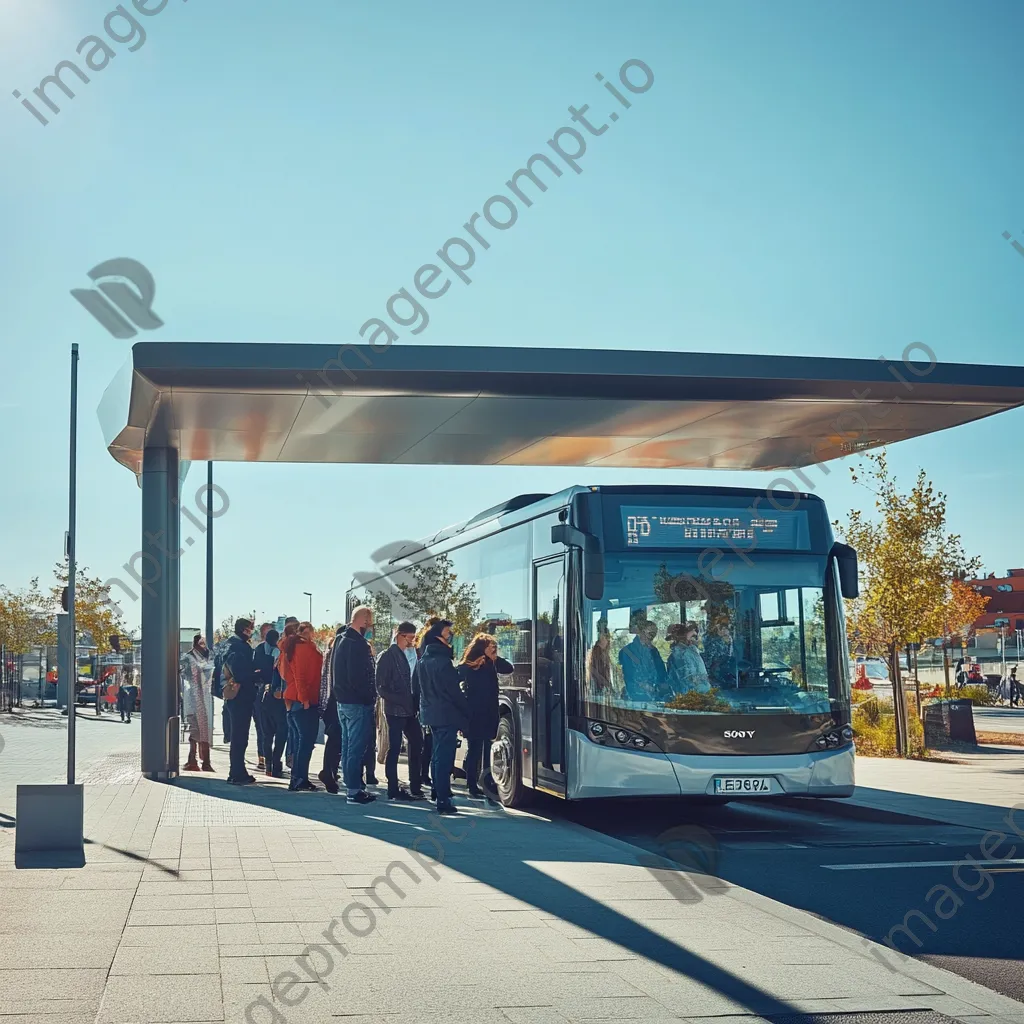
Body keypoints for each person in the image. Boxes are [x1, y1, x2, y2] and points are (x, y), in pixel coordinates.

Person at [414, 620, 470, 815]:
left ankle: (437, 792)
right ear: (438, 637)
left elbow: (418, 689)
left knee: (437, 756)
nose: (451, 636)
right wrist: (466, 712)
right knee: (444, 757)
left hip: (431, 714)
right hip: (446, 714)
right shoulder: (443, 662)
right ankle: (443, 799)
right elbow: (453, 691)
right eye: (448, 633)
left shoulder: (423, 660)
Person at [332, 606, 378, 805]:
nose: (372, 627)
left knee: (348, 745)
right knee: (355, 748)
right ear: (364, 621)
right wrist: (369, 697)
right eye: (371, 623)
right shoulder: (357, 644)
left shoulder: (340, 640)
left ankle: (352, 786)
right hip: (356, 703)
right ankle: (353, 790)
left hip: (343, 701)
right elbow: (358, 676)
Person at [458, 633, 512, 799]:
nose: (494, 649)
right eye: (491, 647)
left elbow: (509, 668)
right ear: (482, 647)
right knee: (475, 748)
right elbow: (456, 677)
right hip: (474, 713)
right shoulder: (469, 665)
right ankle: (471, 784)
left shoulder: (492, 664)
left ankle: (486, 783)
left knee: (488, 748)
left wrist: (495, 657)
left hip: (489, 712)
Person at [375, 621, 425, 801]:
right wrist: (401, 700)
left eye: (414, 638)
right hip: (395, 709)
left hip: (411, 708)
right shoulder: (387, 656)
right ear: (399, 635)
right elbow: (381, 687)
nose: (412, 641)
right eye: (409, 638)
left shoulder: (413, 653)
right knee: (394, 747)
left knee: (417, 743)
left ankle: (415, 785)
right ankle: (393, 787)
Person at [280, 622, 323, 792]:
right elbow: (301, 676)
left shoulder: (289, 649)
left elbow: (287, 675)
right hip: (303, 701)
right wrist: (305, 699)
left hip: (293, 700)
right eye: (310, 631)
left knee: (300, 742)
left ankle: (297, 779)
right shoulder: (303, 649)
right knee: (305, 743)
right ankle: (299, 779)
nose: (312, 635)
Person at [224, 618, 259, 785]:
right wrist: (255, 674)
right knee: (240, 736)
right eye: (250, 629)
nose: (251, 632)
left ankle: (237, 770)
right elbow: (240, 672)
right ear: (245, 630)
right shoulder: (238, 647)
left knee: (239, 736)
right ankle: (237, 772)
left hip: (236, 697)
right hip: (241, 696)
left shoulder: (230, 645)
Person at [415, 616, 442, 789]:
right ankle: (425, 774)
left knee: (427, 740)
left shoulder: (421, 644)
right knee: (429, 741)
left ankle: (423, 773)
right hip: (430, 700)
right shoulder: (429, 645)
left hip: (424, 699)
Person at [255, 628, 286, 777]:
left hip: (263, 693)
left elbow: (255, 668)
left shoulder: (259, 649)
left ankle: (268, 764)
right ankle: (275, 762)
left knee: (266, 733)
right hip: (277, 695)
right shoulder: (280, 653)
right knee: (281, 732)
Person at [181, 634, 215, 771]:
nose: (204, 646)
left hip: (203, 696)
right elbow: (185, 675)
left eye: (204, 643)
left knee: (204, 727)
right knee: (194, 726)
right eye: (201, 643)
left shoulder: (208, 657)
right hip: (194, 696)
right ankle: (194, 759)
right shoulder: (188, 658)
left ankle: (204, 761)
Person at [318, 630, 342, 794]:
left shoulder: (330, 654)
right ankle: (328, 772)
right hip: (334, 701)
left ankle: (330, 771)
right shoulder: (334, 655)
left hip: (330, 702)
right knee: (335, 738)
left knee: (336, 739)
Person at [618, 620, 666, 702]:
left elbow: (662, 673)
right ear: (641, 632)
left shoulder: (654, 651)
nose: (652, 637)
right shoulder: (627, 651)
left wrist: (661, 688)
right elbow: (629, 675)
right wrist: (644, 686)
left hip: (655, 697)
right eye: (650, 633)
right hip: (636, 697)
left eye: (654, 634)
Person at [666, 621, 710, 696]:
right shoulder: (678, 655)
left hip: (701, 693)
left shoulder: (692, 651)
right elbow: (685, 678)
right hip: (690, 695)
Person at [586, 626, 613, 699]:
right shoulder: (596, 651)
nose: (607, 641)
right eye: (604, 637)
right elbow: (592, 669)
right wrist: (604, 682)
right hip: (596, 688)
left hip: (602, 688)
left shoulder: (605, 652)